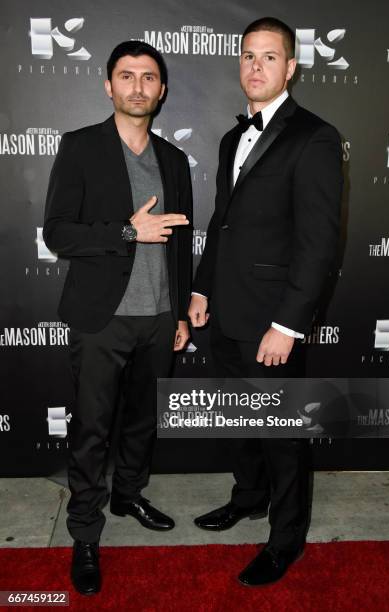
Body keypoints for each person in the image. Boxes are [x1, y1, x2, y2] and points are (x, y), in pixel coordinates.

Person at [189, 17, 343, 587]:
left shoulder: (316, 137)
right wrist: (201, 288)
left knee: (282, 436)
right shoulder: (233, 138)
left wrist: (288, 324)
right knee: (238, 421)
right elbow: (222, 222)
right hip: (226, 312)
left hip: (272, 321)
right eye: (248, 56)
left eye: (269, 57)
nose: (256, 66)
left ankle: (286, 540)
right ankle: (249, 498)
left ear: (291, 67)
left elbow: (319, 242)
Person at [44, 40, 192, 595]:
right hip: (100, 319)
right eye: (126, 76)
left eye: (148, 77)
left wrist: (179, 311)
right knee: (90, 431)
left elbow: (180, 246)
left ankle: (129, 494)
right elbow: (57, 233)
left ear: (161, 89)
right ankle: (85, 531)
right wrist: (127, 231)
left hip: (159, 317)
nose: (137, 86)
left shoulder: (174, 161)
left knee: (141, 422)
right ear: (108, 86)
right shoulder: (80, 148)